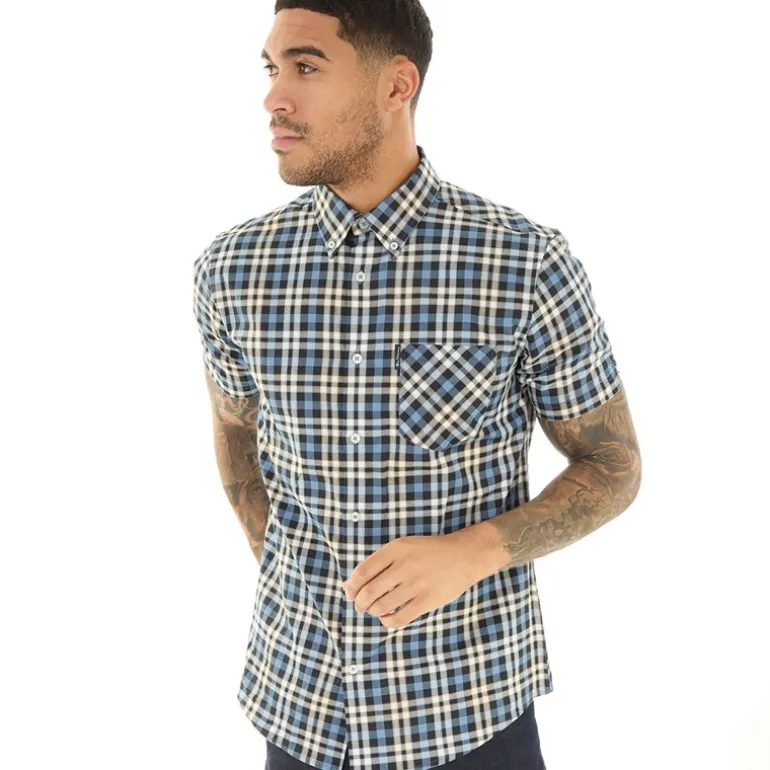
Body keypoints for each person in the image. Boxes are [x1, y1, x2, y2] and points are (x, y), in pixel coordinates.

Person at [191, 2, 643, 769]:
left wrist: (472, 552)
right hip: (301, 708)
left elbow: (614, 466)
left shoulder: (522, 263)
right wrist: (298, 582)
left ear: (397, 85)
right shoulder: (233, 270)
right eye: (271, 69)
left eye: (305, 66)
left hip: (469, 711)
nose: (273, 96)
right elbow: (238, 441)